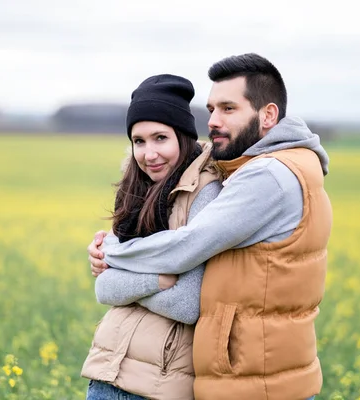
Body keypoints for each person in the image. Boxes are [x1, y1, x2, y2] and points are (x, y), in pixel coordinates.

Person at [89, 53, 332, 400]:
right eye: (211, 108)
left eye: (228, 109)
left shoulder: (268, 175)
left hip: (260, 383)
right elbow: (106, 289)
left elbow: (186, 248)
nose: (214, 120)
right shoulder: (280, 165)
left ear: (268, 114)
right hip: (261, 375)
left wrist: (113, 252)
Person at [81, 74, 223, 400]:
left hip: (159, 384)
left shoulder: (207, 192)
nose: (149, 154)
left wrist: (123, 275)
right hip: (107, 372)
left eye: (160, 138)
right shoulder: (136, 190)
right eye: (139, 141)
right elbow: (104, 288)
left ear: (184, 137)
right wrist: (157, 280)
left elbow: (187, 303)